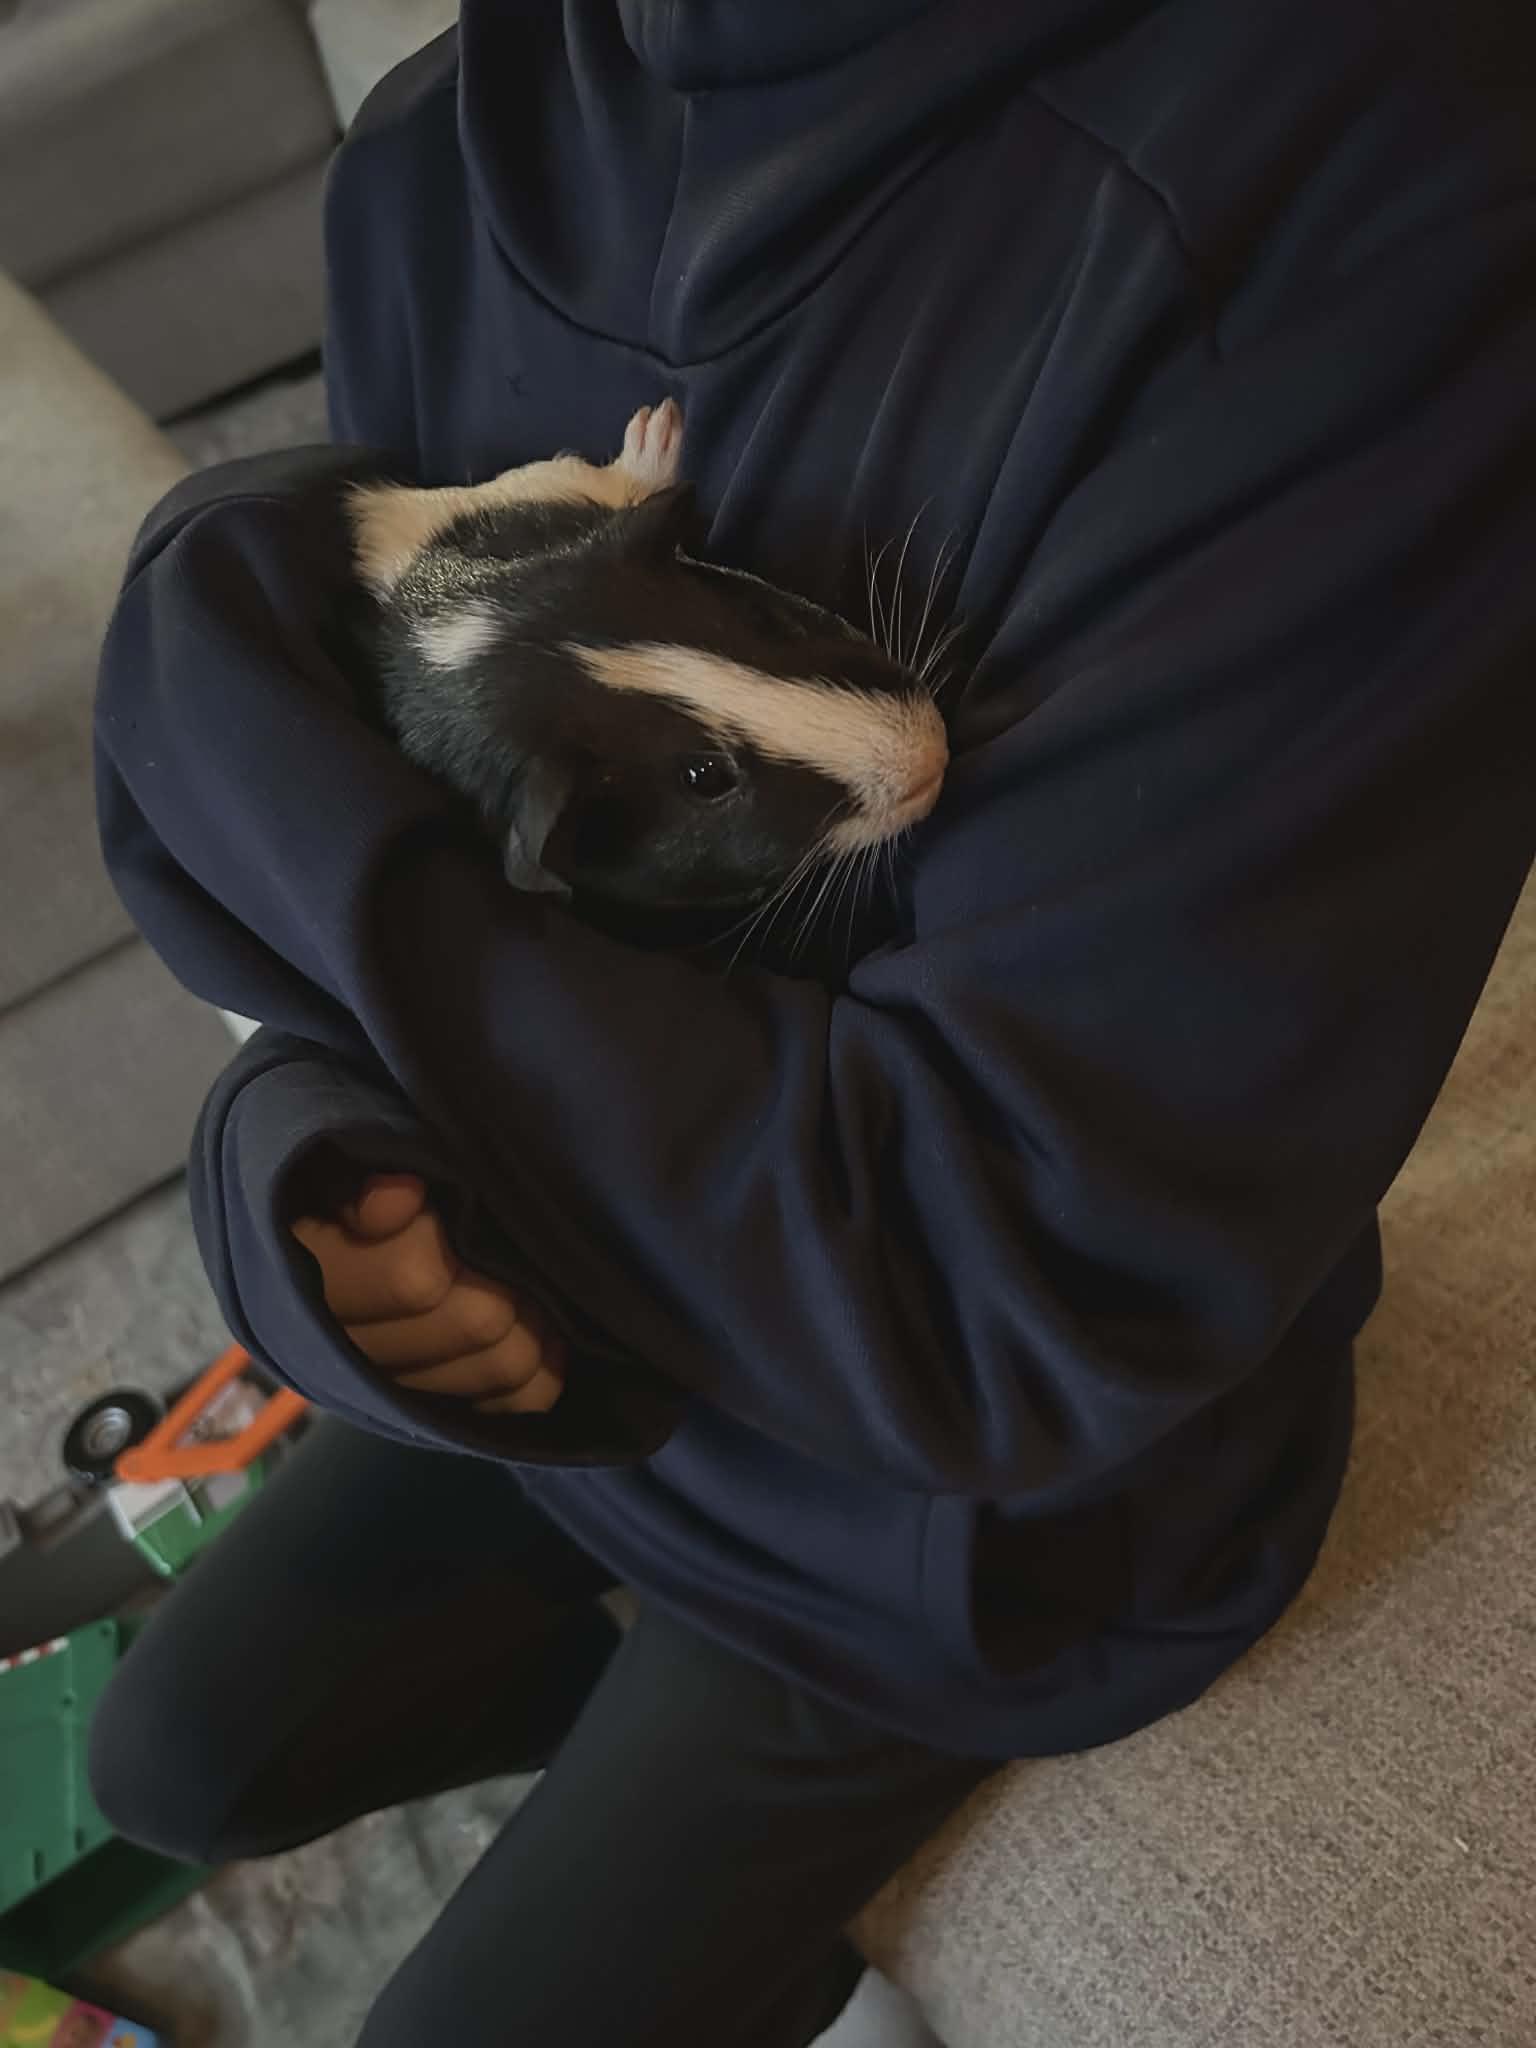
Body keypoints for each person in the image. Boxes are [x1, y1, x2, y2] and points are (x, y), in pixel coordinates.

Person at [87, 3, 1535, 2043]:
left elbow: (1016, 1271)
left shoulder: (1361, 205)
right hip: (608, 1329)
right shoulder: (448, 146)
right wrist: (303, 1164)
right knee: (167, 1762)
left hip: (940, 1525)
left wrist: (224, 691)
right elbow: (386, 766)